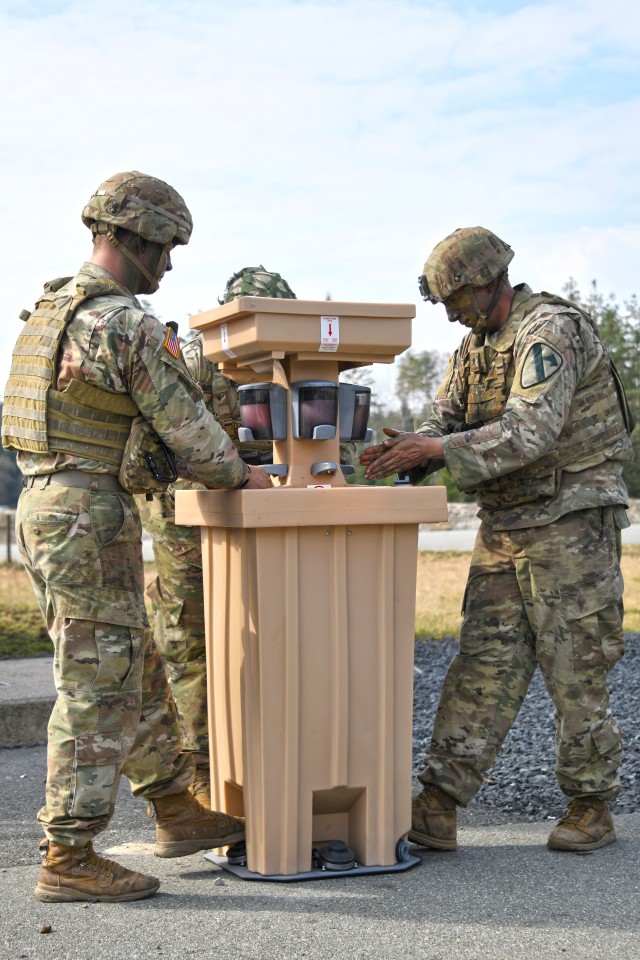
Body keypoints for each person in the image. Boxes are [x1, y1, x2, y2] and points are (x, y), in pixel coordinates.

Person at [2, 171, 273, 903]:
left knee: (136, 661)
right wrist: (243, 478)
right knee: (97, 687)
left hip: (55, 505)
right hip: (86, 513)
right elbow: (191, 431)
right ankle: (69, 855)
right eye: (168, 247)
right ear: (139, 238)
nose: (171, 264)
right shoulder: (123, 322)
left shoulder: (53, 309)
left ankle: (175, 810)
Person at [361, 226, 633, 853]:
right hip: (506, 525)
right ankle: (439, 803)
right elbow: (447, 417)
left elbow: (528, 432)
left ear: (485, 284)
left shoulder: (549, 332)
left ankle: (591, 805)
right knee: (482, 663)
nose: (451, 313)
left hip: (570, 522)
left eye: (454, 299)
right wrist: (415, 448)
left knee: (575, 665)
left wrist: (440, 448)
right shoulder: (474, 347)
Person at [138, 265, 297, 809]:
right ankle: (203, 772)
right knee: (192, 642)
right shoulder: (192, 363)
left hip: (267, 520)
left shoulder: (294, 364)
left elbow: (329, 451)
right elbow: (168, 442)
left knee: (275, 640)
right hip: (186, 517)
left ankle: (271, 762)